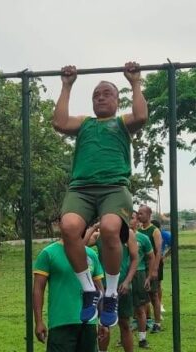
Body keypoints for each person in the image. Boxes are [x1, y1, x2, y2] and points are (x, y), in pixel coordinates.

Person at [53, 62, 148, 328]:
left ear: (117, 100)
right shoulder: (85, 124)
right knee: (69, 227)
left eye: (107, 94)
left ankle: (111, 292)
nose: (101, 97)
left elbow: (141, 116)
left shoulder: (121, 122)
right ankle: (88, 289)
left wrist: (135, 81)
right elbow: (59, 122)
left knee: (108, 228)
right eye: (96, 95)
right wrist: (66, 85)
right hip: (81, 188)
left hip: (114, 188)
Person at [92, 225, 142, 352]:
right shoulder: (98, 235)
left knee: (125, 324)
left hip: (122, 286)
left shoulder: (129, 234)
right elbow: (80, 245)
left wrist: (127, 281)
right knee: (102, 324)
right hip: (104, 286)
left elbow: (135, 259)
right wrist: (93, 228)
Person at [129, 211, 158, 350]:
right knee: (124, 311)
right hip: (123, 275)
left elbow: (151, 256)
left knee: (140, 308)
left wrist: (149, 275)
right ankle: (125, 338)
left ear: (137, 221)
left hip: (139, 274)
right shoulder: (117, 237)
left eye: (132, 218)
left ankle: (142, 339)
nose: (129, 220)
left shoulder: (143, 238)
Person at [135, 205, 163, 332]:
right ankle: (145, 320)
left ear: (148, 215)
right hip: (141, 267)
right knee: (143, 296)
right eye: (138, 214)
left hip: (152, 266)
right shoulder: (138, 230)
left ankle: (157, 323)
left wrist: (155, 269)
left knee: (154, 295)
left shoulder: (154, 230)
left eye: (141, 214)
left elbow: (158, 251)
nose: (139, 216)